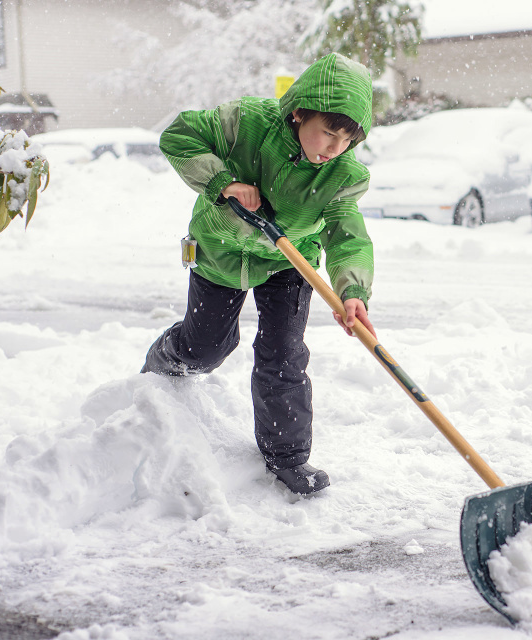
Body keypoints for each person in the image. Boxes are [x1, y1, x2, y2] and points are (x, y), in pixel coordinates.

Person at [141, 53, 376, 496]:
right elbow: (180, 134)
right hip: (221, 251)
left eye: (345, 140)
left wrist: (352, 290)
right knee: (205, 347)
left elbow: (349, 235)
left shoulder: (342, 176)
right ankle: (164, 361)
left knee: (283, 355)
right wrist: (224, 182)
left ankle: (287, 458)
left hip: (289, 263)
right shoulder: (247, 123)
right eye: (327, 132)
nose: (331, 148)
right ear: (300, 110)